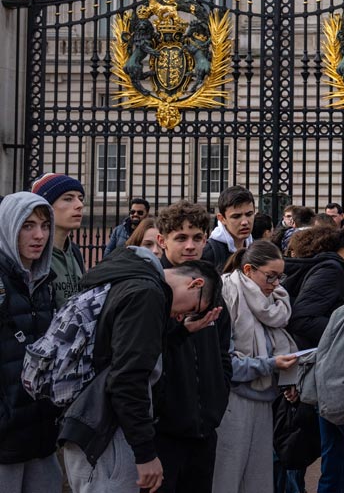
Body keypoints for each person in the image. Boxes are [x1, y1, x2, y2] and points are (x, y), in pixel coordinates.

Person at [60, 243, 223, 493]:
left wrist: (179, 333)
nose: (181, 316)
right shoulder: (148, 294)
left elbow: (124, 351)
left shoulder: (128, 274)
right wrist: (145, 453)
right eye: (192, 309)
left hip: (89, 422)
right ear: (195, 284)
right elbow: (128, 379)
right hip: (107, 433)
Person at [288, 217, 344, 493]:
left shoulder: (342, 271)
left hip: (334, 376)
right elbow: (302, 317)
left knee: (341, 464)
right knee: (338, 468)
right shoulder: (331, 270)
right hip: (330, 379)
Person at [154, 201, 232, 493]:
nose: (190, 246)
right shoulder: (151, 288)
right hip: (163, 432)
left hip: (204, 428)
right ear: (162, 240)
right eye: (181, 237)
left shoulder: (212, 287)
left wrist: (217, 396)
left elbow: (223, 351)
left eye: (197, 237)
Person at [213, 240, 299, 493]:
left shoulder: (276, 299)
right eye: (270, 276)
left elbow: (273, 345)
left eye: (280, 277)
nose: (276, 284)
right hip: (232, 400)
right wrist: (271, 364)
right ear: (249, 270)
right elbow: (225, 360)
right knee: (226, 478)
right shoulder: (227, 292)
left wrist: (287, 377)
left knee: (257, 479)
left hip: (264, 398)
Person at [0, 193, 61, 492]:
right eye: (27, 226)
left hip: (41, 430)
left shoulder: (43, 283)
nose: (39, 235)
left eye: (45, 225)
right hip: (5, 436)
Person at [30, 173, 85, 308]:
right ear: (46, 207)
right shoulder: (33, 253)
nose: (79, 205)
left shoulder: (75, 252)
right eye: (68, 199)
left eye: (80, 198)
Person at [203, 186, 256, 268]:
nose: (245, 222)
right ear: (222, 219)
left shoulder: (257, 249)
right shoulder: (209, 253)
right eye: (236, 216)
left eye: (249, 214)